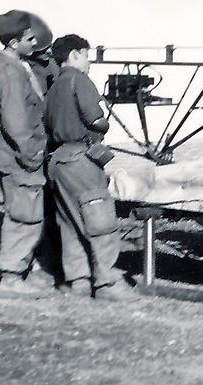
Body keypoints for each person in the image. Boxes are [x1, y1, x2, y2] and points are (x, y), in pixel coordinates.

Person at [44, 33, 140, 301]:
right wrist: (103, 124)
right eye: (86, 55)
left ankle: (79, 282)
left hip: (59, 162)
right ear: (74, 54)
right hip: (81, 159)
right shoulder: (80, 81)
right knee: (100, 221)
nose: (89, 62)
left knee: (70, 223)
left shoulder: (52, 88)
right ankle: (108, 283)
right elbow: (97, 120)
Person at [0, 9, 57, 297]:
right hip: (19, 159)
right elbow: (16, 123)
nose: (35, 44)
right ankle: (11, 278)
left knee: (23, 213)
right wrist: (33, 155)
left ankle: (21, 270)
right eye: (30, 39)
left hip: (5, 156)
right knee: (24, 217)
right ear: (13, 43)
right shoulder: (11, 74)